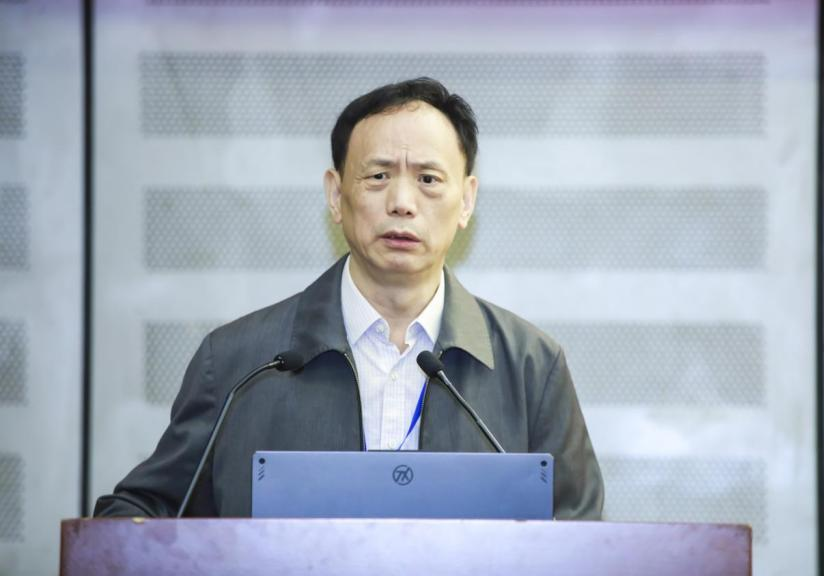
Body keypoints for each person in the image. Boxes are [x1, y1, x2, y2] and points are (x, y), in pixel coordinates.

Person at [94, 77, 604, 519]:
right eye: (378, 176)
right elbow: (142, 513)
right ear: (336, 196)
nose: (402, 203)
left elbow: (581, 539)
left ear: (466, 200)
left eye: (428, 179)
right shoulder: (238, 365)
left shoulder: (532, 368)